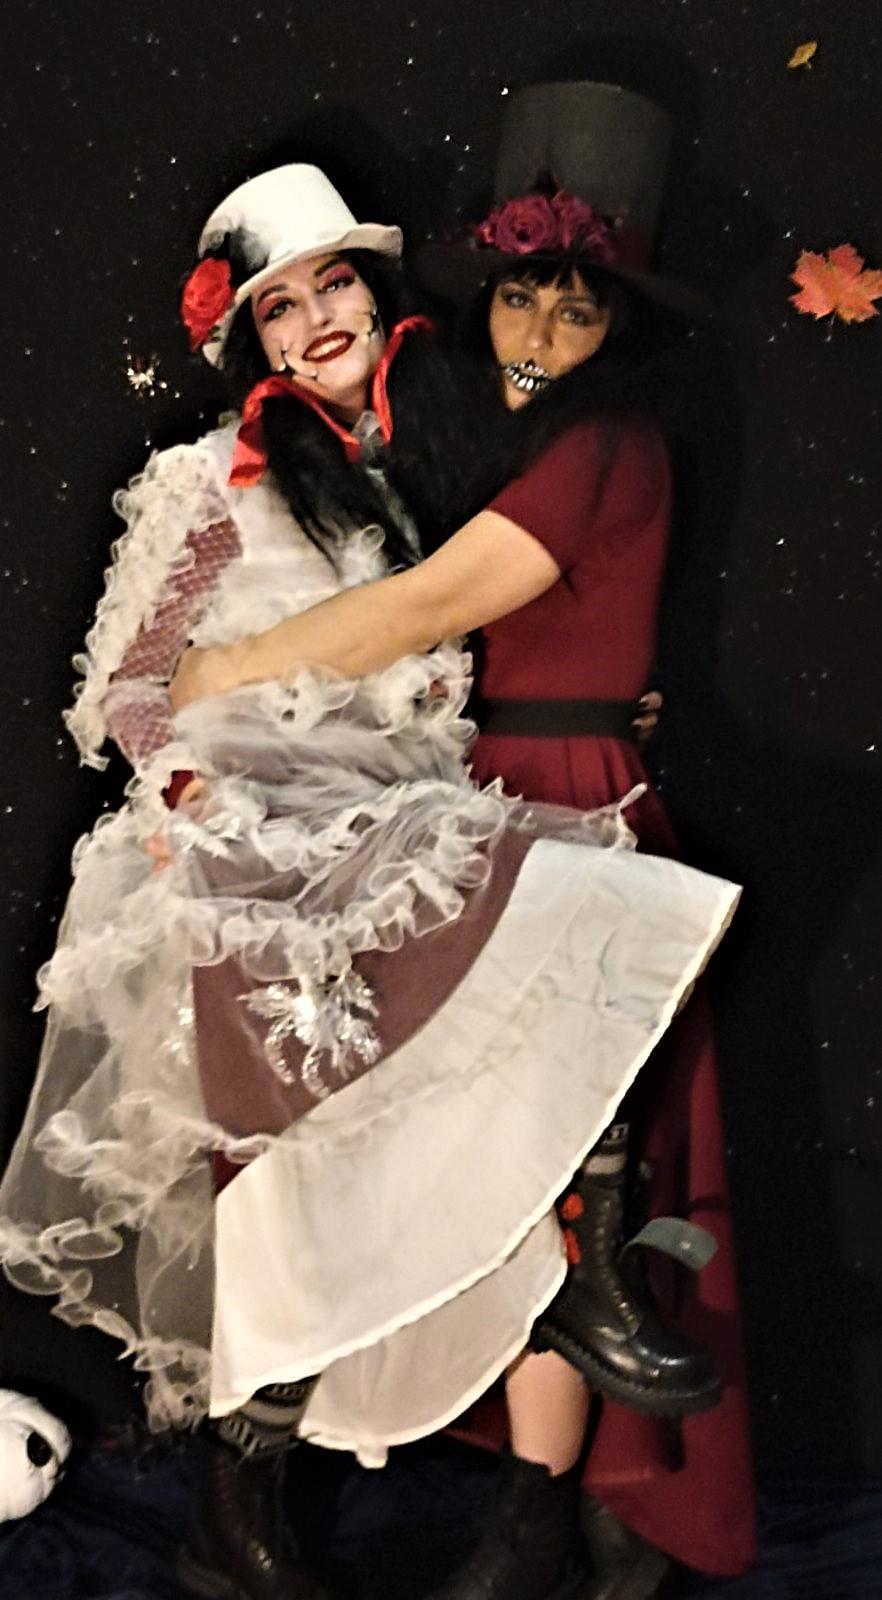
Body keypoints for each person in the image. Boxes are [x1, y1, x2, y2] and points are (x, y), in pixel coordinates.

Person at [169, 86, 758, 1594]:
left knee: (558, 1151)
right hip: (442, 804)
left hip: (558, 795)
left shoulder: (604, 441)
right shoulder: (441, 444)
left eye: (576, 308)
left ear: (617, 326)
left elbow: (432, 605)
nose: (540, 331)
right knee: (392, 1147)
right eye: (518, 297)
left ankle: (551, 1496)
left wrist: (231, 671)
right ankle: (277, 1486)